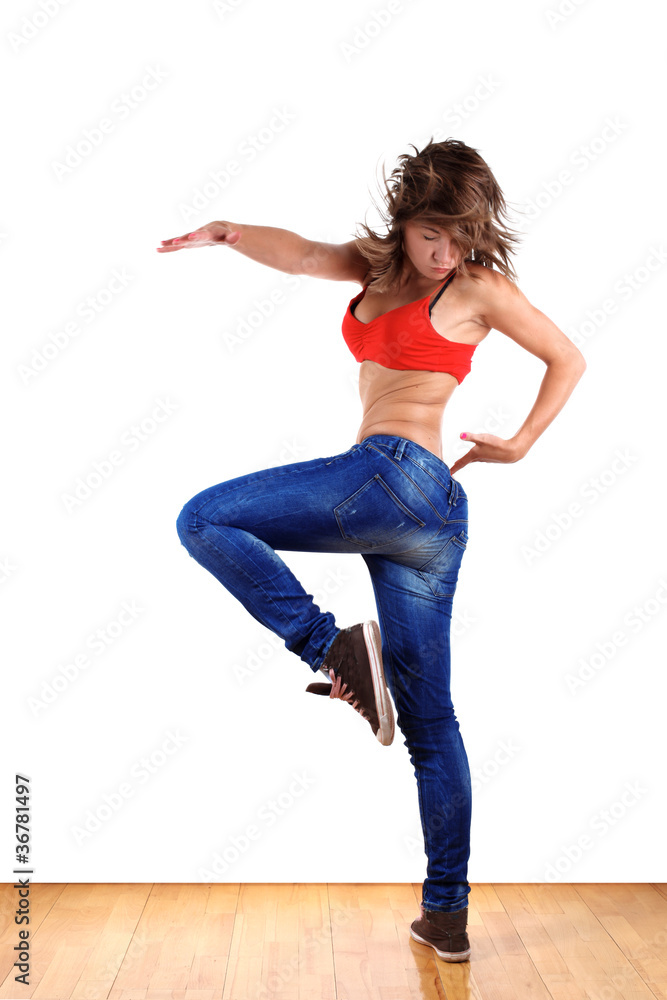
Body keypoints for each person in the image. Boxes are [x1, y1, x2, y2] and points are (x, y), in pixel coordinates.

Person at [157, 138, 586, 963]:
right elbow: (303, 255)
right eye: (431, 235)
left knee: (203, 519)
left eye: (460, 237)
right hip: (421, 516)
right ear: (404, 220)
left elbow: (566, 357)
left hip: (398, 477)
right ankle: (445, 917)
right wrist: (230, 232)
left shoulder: (478, 287)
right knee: (428, 722)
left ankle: (331, 649)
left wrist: (522, 441)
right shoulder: (377, 264)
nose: (445, 253)